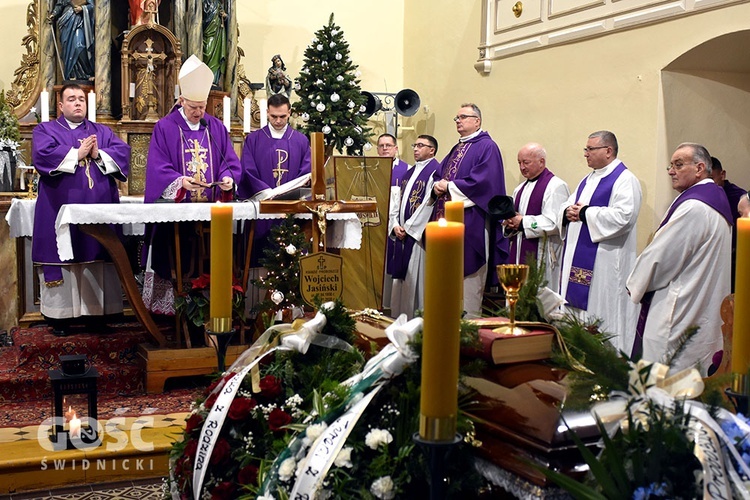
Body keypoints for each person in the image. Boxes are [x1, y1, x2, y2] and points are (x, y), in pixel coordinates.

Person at [142, 54, 241, 314]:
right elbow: (157, 168)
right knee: (177, 260)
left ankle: (211, 311)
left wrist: (229, 180)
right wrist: (180, 181)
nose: (199, 113)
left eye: (202, 106)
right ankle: (176, 311)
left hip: (211, 218)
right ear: (181, 100)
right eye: (193, 107)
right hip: (177, 218)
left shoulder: (215, 127)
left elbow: (228, 161)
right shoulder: (165, 127)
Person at [32, 83, 130, 335]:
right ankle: (61, 317)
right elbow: (42, 155)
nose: (78, 103)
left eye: (82, 100)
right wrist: (77, 154)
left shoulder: (102, 132)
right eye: (72, 99)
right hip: (59, 209)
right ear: (61, 105)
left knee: (97, 256)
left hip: (99, 211)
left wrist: (98, 154)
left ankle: (98, 315)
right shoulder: (46, 130)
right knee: (64, 256)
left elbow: (122, 153)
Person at [627, 144, 732, 375]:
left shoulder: (694, 207)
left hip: (679, 309)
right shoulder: (714, 199)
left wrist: (634, 282)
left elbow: (660, 259)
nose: (671, 171)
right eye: (670, 166)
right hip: (702, 303)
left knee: (665, 378)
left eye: (678, 164)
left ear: (700, 168)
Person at [557, 130, 642, 353]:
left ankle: (608, 361)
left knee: (602, 312)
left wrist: (585, 213)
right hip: (580, 260)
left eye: (590, 149)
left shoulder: (625, 180)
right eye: (585, 149)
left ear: (608, 151)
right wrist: (567, 212)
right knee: (577, 317)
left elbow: (624, 217)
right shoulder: (588, 179)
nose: (585, 154)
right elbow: (569, 204)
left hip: (605, 264)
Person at [433, 103, 507, 318]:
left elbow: (485, 183)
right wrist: (437, 185)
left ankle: (470, 331)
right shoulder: (457, 148)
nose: (458, 121)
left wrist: (449, 187)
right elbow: (440, 174)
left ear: (477, 121)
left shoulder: (487, 147)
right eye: (456, 118)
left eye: (463, 117)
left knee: (469, 282)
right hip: (449, 224)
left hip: (472, 222)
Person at [238, 92, 311, 263]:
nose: (278, 121)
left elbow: (306, 172)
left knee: (291, 257)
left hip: (290, 208)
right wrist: (266, 194)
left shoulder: (300, 140)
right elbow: (248, 170)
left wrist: (288, 195)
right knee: (261, 256)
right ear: (267, 113)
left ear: (290, 112)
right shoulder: (254, 139)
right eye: (273, 116)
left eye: (282, 116)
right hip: (263, 206)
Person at [504, 143, 569, 292]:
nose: (521, 167)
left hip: (543, 255)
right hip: (519, 253)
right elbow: (516, 220)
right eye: (519, 163)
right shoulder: (519, 189)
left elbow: (554, 223)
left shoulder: (556, 186)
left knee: (539, 302)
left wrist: (523, 223)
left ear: (542, 162)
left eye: (526, 162)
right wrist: (510, 224)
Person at [388, 135, 440, 319]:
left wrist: (409, 228)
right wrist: (395, 225)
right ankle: (397, 319)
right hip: (402, 232)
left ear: (431, 150)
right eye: (414, 145)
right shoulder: (408, 173)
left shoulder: (436, 171)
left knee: (415, 282)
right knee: (401, 282)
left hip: (418, 237)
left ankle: (414, 322)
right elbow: (397, 202)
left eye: (420, 145)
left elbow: (429, 203)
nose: (415, 149)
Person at [378, 133, 411, 311]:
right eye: (381, 145)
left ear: (396, 149)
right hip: (376, 224)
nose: (384, 148)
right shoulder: (372, 168)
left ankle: (391, 307)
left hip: (397, 225)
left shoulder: (407, 170)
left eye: (388, 145)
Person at [710, 156, 747, 291]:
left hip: (735, 260)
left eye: (712, 179)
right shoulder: (702, 197)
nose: (709, 185)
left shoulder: (739, 198)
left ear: (722, 175)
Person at [49, 0, 95, 81]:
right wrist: (54, 14)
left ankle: (87, 73)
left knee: (79, 46)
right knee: (68, 49)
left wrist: (82, 8)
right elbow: (59, 5)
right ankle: (71, 74)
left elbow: (92, 6)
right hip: (66, 22)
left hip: (79, 21)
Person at [202, 0, 227, 87]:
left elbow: (225, 16)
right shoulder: (204, 2)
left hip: (217, 34)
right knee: (207, 53)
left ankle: (213, 80)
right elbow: (201, 15)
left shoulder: (218, 3)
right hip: (207, 32)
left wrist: (224, 16)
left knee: (216, 58)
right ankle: (205, 79)